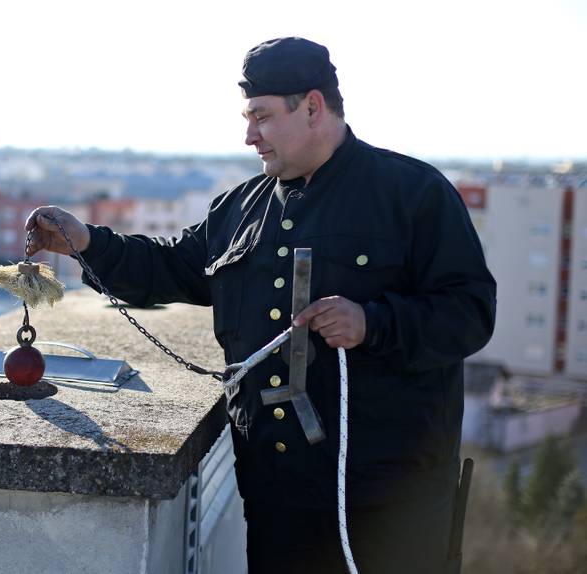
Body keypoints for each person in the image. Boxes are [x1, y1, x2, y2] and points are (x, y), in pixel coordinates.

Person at [25, 36, 496, 573]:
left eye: (263, 117)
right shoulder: (239, 208)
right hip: (278, 497)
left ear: (313, 107)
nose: (250, 135)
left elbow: (471, 311)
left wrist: (373, 322)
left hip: (391, 504)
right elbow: (171, 267)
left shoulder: (413, 194)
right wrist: (86, 242)